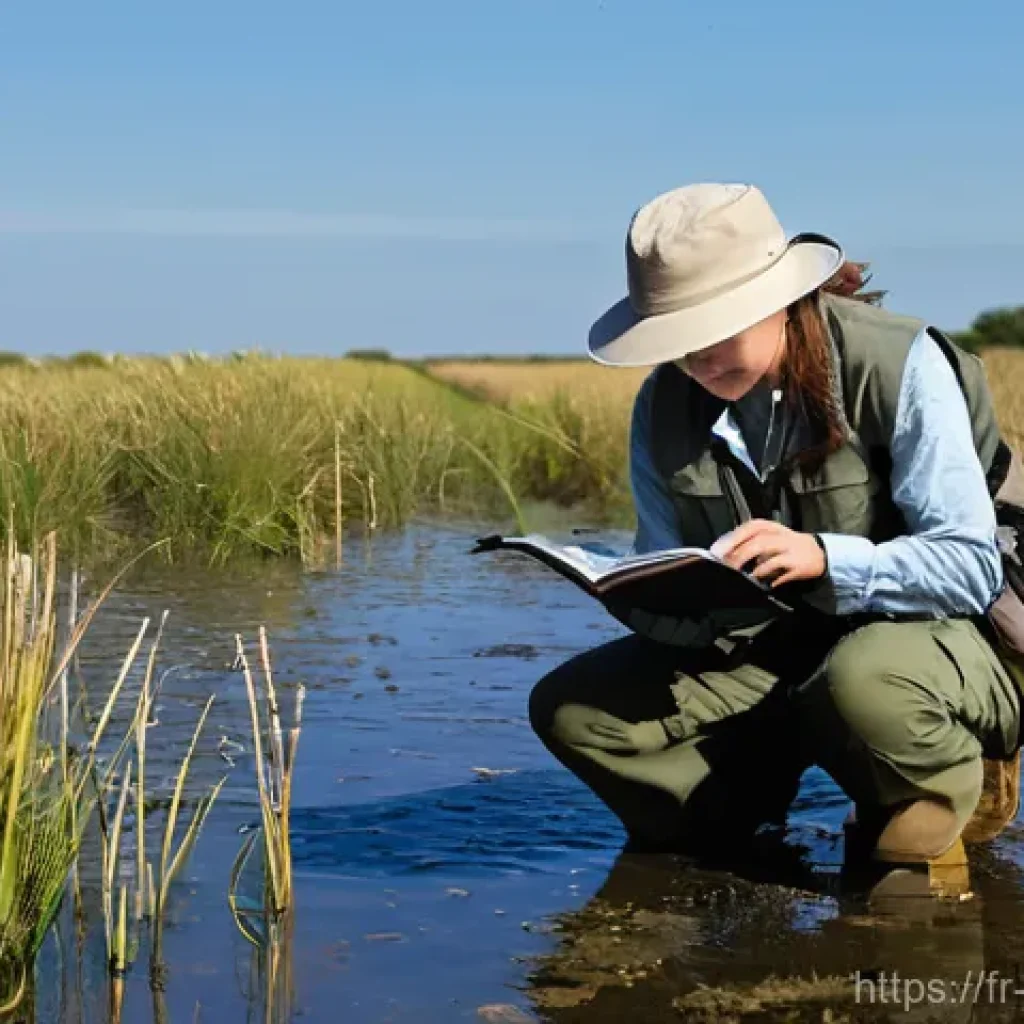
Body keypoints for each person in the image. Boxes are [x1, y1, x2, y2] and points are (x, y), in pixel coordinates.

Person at [528, 183, 1022, 900]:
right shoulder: (663, 408)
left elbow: (971, 567)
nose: (694, 359)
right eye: (674, 339)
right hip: (768, 647)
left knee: (866, 683)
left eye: (712, 331)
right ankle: (737, 816)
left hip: (932, 643)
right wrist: (633, 592)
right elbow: (664, 563)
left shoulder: (902, 365)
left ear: (778, 300)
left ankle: (950, 786)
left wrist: (825, 557)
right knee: (574, 710)